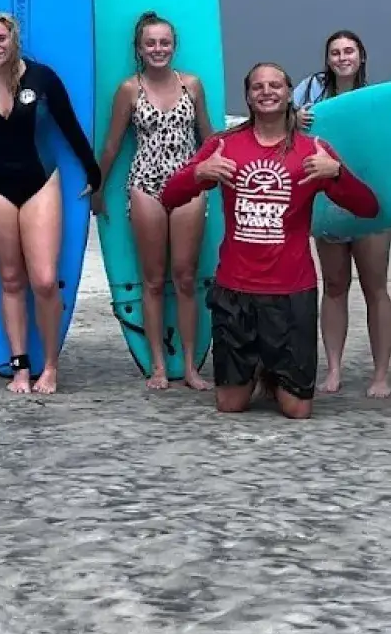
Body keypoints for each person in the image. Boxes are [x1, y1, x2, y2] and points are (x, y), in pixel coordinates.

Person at [160, 62, 378, 420]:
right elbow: (169, 195)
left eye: (275, 85)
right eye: (258, 86)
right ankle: (259, 369)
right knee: (231, 405)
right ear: (247, 96)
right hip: (235, 291)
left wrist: (336, 173)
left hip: (291, 292)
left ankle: (273, 371)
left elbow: (367, 207)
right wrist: (199, 173)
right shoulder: (223, 145)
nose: (266, 91)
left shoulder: (314, 150)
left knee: (297, 410)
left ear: (289, 93)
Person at [0, 11, 100, 396]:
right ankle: (20, 368)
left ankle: (51, 367)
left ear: (14, 40)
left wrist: (93, 174)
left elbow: (69, 126)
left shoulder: (42, 78)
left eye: (1, 39)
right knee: (10, 279)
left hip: (41, 181)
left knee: (44, 279)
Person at [93, 12, 216, 391]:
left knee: (184, 276)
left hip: (188, 182)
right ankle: (159, 366)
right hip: (145, 183)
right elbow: (113, 143)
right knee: (152, 279)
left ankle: (192, 366)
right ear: (139, 48)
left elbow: (208, 137)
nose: (158, 49)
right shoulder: (129, 89)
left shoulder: (192, 84)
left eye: (164, 42)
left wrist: (223, 171)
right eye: (151, 43)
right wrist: (97, 187)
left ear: (173, 46)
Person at [293, 30, 390, 397]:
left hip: (372, 204)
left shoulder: (377, 100)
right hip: (329, 203)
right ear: (327, 58)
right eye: (335, 52)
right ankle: (333, 370)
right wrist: (294, 117)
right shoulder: (309, 96)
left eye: (349, 50)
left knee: (375, 287)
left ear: (361, 56)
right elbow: (281, 129)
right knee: (334, 286)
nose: (342, 57)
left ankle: (381, 374)